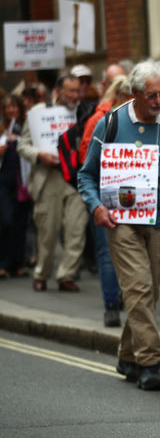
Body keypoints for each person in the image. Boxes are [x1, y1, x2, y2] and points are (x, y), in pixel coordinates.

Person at [77, 61, 160, 391]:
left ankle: (127, 355)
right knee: (139, 288)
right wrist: (97, 207)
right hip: (121, 220)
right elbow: (86, 175)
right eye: (152, 96)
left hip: (159, 218)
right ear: (134, 93)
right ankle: (150, 363)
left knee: (150, 291)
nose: (159, 102)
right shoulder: (111, 124)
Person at [18, 75, 88, 292]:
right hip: (49, 178)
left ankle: (66, 274)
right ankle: (42, 272)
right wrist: (40, 155)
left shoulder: (85, 112)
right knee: (47, 231)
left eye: (78, 91)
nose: (76, 96)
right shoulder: (40, 112)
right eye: (71, 91)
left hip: (76, 177)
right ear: (59, 91)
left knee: (76, 229)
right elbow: (23, 146)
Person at [79, 74, 132, 327]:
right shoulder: (100, 120)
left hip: (136, 197)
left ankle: (128, 299)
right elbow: (85, 158)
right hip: (106, 193)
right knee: (107, 251)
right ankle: (111, 304)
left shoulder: (147, 120)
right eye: (131, 96)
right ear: (121, 95)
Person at [0, 95, 31, 279]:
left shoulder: (26, 128)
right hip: (3, 180)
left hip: (22, 180)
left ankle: (18, 263)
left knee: (21, 221)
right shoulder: (2, 129)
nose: (11, 110)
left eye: (14, 106)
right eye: (7, 107)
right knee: (7, 220)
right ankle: (3, 262)